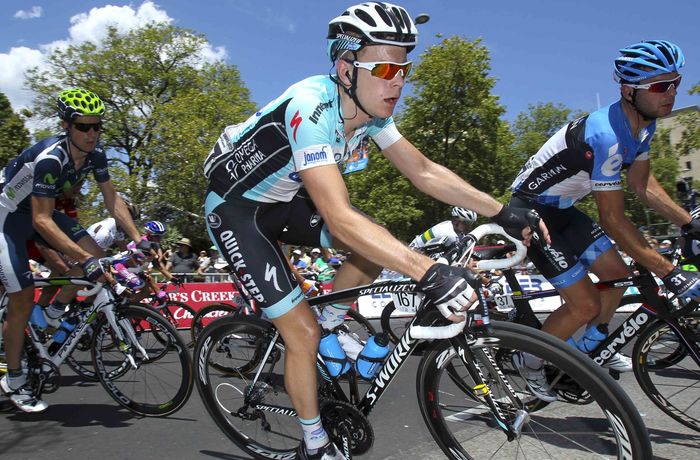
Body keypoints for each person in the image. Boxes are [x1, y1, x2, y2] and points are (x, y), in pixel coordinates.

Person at [202, 3, 546, 458]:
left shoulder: (372, 111)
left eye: (404, 68)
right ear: (346, 68)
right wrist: (428, 272)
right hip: (238, 213)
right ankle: (315, 441)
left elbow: (423, 170)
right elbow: (339, 217)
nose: (398, 80)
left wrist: (503, 211)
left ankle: (329, 322)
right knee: (300, 333)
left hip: (283, 202)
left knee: (372, 238)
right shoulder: (311, 107)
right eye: (385, 68)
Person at [508, 40, 700, 400]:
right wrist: (670, 273)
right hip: (529, 211)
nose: (671, 93)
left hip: (562, 209)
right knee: (585, 304)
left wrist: (688, 222)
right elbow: (612, 219)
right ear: (628, 91)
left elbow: (642, 186)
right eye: (660, 86)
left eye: (675, 83)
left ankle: (589, 350)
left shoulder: (644, 124)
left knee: (617, 274)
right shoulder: (607, 135)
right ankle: (529, 359)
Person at [0, 88, 151, 412]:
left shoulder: (96, 155)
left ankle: (52, 315)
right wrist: (83, 257)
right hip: (6, 219)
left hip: (38, 212)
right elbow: (41, 221)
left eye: (97, 126)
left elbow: (112, 201)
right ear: (66, 126)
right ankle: (14, 378)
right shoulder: (51, 158)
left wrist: (139, 239)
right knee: (23, 297)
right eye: (84, 127)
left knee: (99, 261)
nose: (92, 134)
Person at [409, 207, 477, 249]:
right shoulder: (449, 234)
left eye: (471, 223)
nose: (469, 226)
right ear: (456, 221)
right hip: (414, 254)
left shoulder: (449, 224)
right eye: (467, 223)